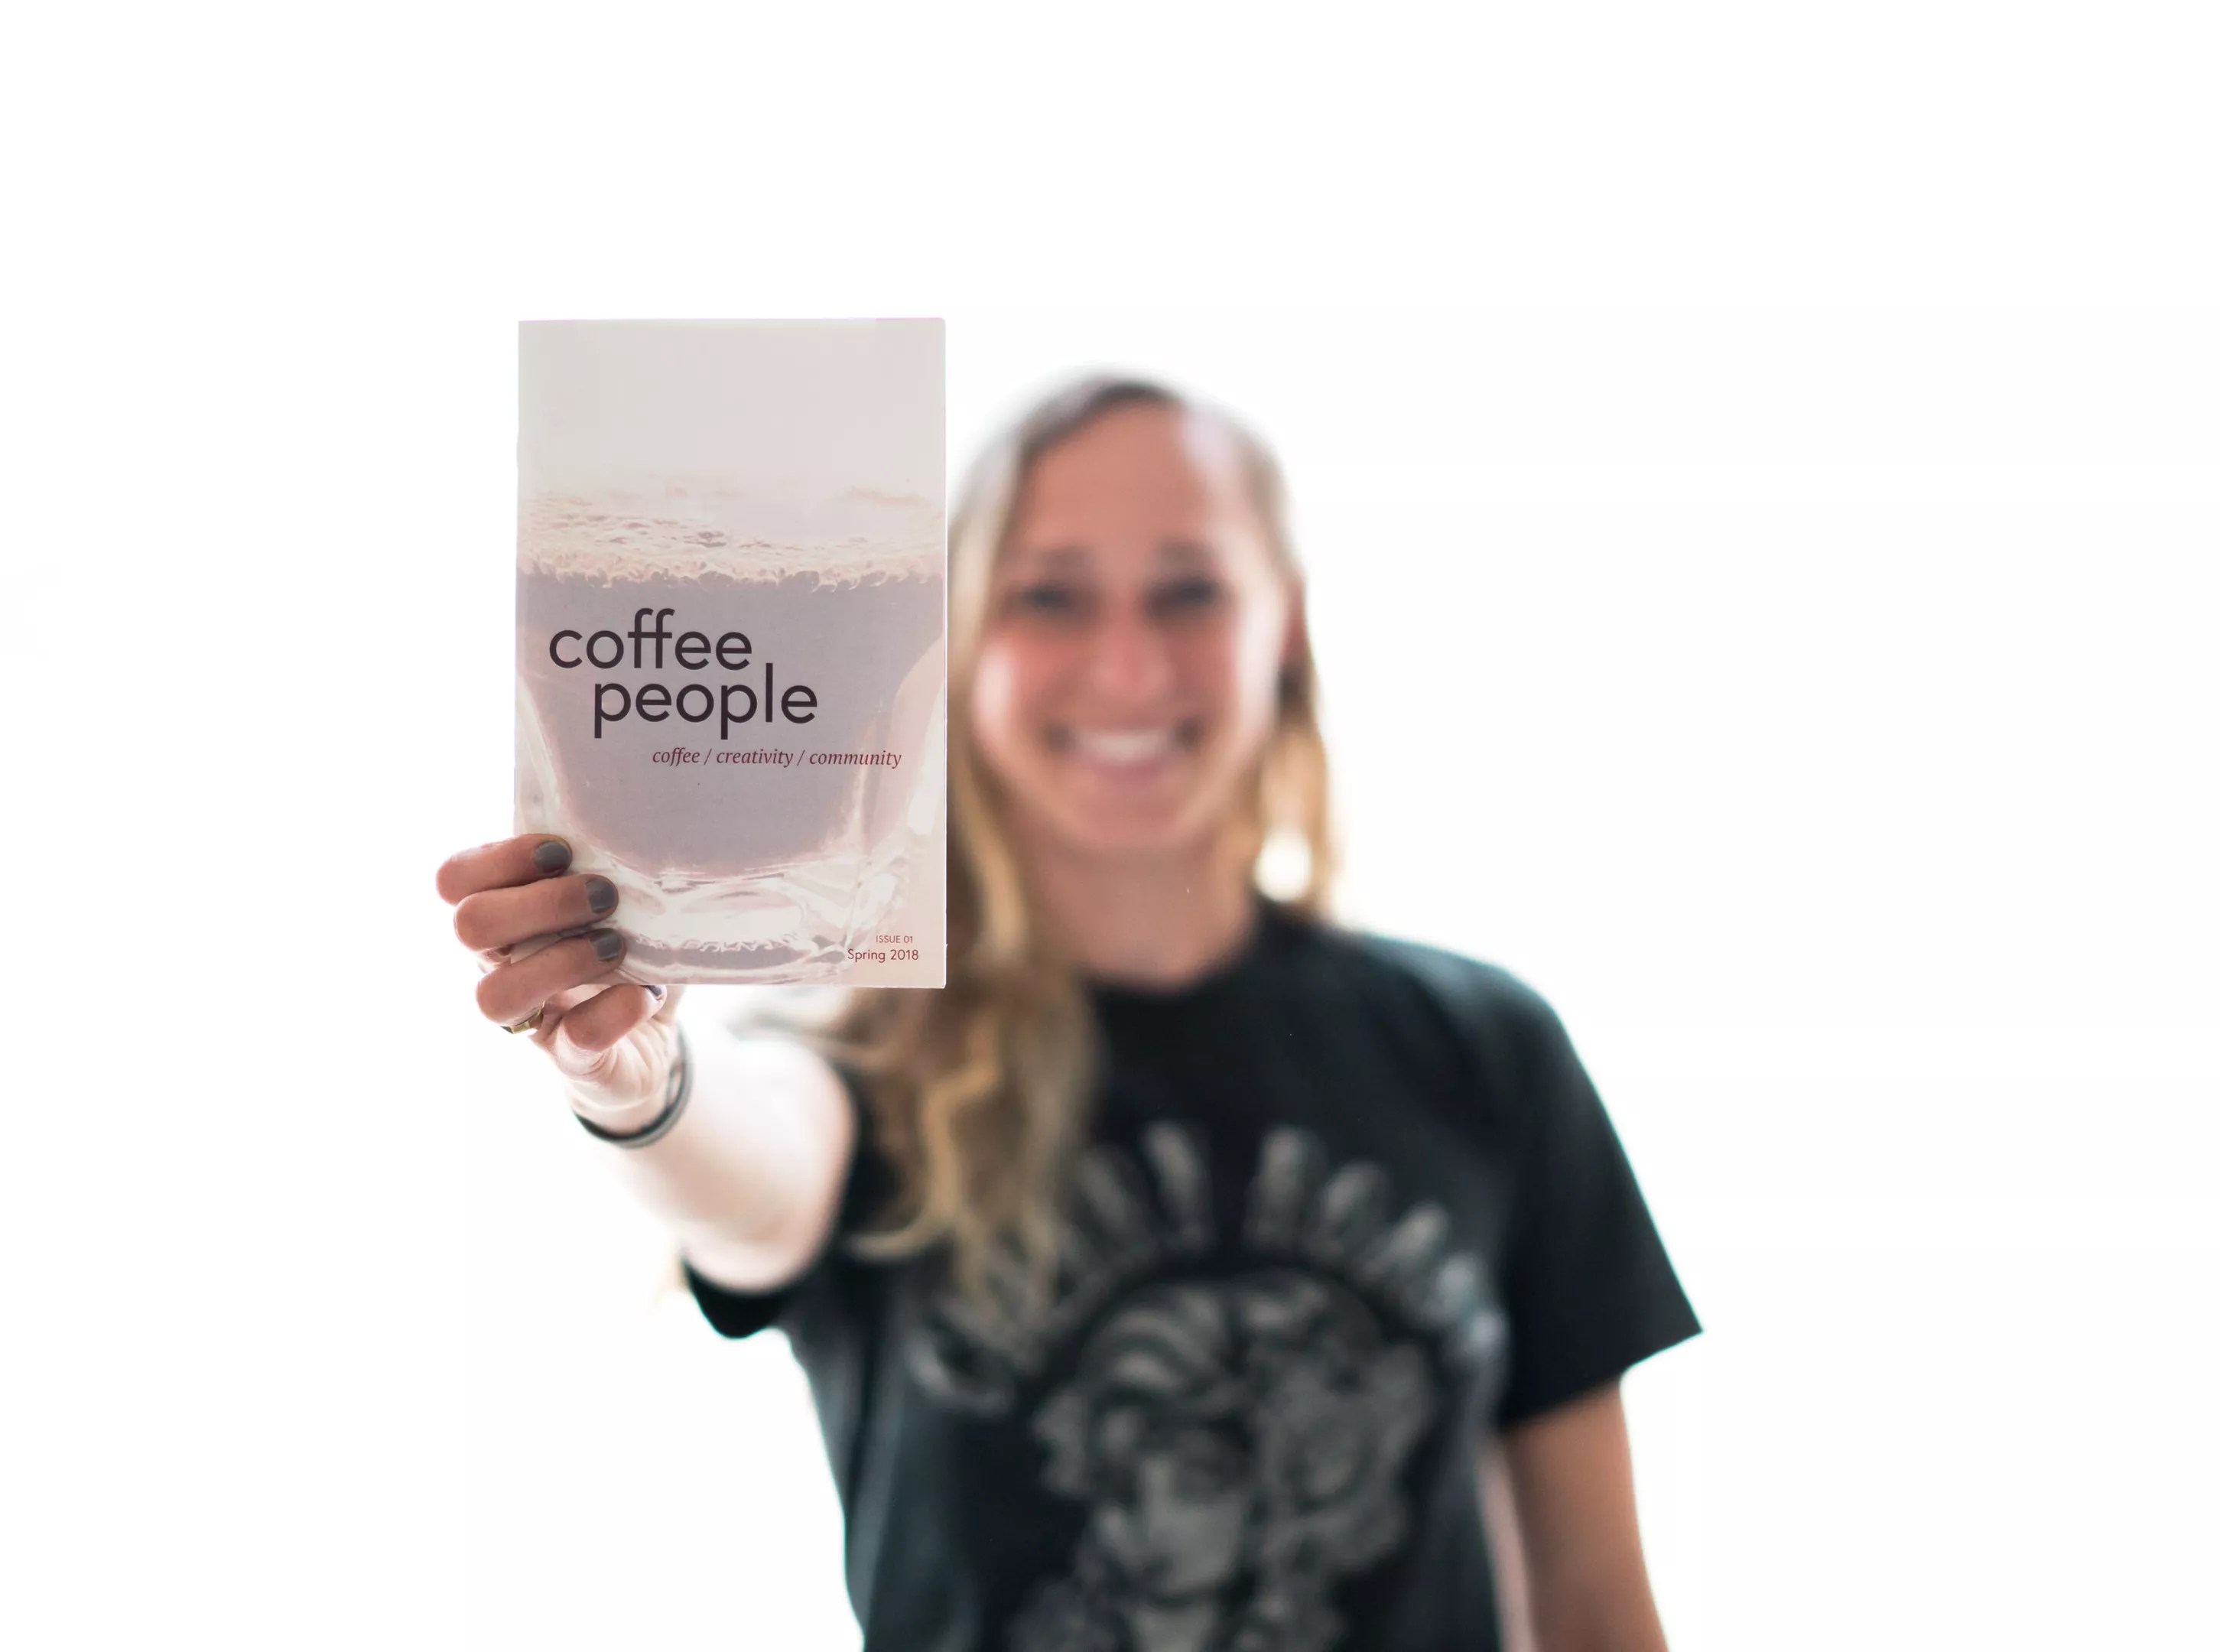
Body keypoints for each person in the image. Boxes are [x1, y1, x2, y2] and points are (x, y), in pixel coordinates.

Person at [437, 374, 1701, 1651]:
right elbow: (750, 1184)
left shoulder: (1484, 1049)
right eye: (1050, 596)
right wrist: (633, 1084)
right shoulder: (864, 1050)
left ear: (1287, 626)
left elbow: (1597, 1606)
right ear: (957, 641)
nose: (1128, 664)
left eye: (1189, 591)